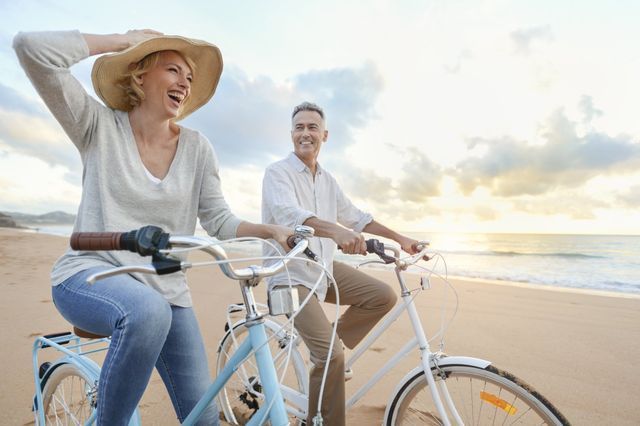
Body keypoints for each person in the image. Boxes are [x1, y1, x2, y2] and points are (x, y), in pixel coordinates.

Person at [14, 29, 292, 426]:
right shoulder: (97, 126)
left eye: (190, 78)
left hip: (168, 291)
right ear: (140, 76)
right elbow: (31, 50)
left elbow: (218, 219)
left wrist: (270, 231)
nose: (184, 83)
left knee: (204, 418)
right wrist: (118, 41)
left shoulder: (198, 148)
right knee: (147, 312)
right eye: (173, 70)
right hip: (89, 274)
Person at [261, 101, 425, 425]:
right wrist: (335, 231)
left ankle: (328, 349)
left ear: (325, 134)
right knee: (330, 356)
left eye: (312, 127)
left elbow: (357, 218)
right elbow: (290, 217)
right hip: (289, 274)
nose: (305, 133)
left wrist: (401, 239)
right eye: (299, 127)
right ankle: (320, 414)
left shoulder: (327, 180)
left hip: (322, 268)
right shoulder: (277, 173)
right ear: (292, 134)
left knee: (382, 296)